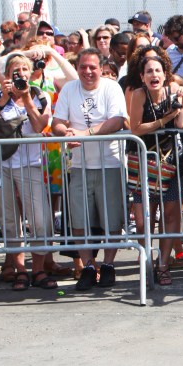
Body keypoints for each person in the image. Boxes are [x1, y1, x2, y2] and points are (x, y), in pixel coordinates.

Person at [51, 49, 129, 291]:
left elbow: (117, 120)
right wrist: (67, 134)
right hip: (79, 166)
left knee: (112, 219)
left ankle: (108, 264)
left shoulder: (111, 88)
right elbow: (56, 123)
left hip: (110, 163)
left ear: (101, 67)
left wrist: (85, 134)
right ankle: (87, 266)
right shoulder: (69, 89)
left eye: (92, 67)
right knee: (79, 219)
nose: (87, 72)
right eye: (83, 67)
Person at [0, 53, 55, 291]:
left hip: (30, 163)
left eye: (24, 70)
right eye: (14, 71)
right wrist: (3, 98)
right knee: (9, 220)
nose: (20, 75)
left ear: (31, 73)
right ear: (7, 75)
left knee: (41, 219)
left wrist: (26, 98)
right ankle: (20, 269)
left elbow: (40, 125)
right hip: (3, 164)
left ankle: (38, 268)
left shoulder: (40, 96)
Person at [128, 52, 183, 286]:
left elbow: (182, 124)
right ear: (142, 77)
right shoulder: (138, 94)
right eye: (149, 71)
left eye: (158, 71)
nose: (154, 75)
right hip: (144, 160)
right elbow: (136, 128)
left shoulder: (174, 90)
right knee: (144, 218)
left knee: (172, 212)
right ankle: (147, 260)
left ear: (165, 74)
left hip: (171, 160)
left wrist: (181, 101)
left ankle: (163, 263)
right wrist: (165, 120)